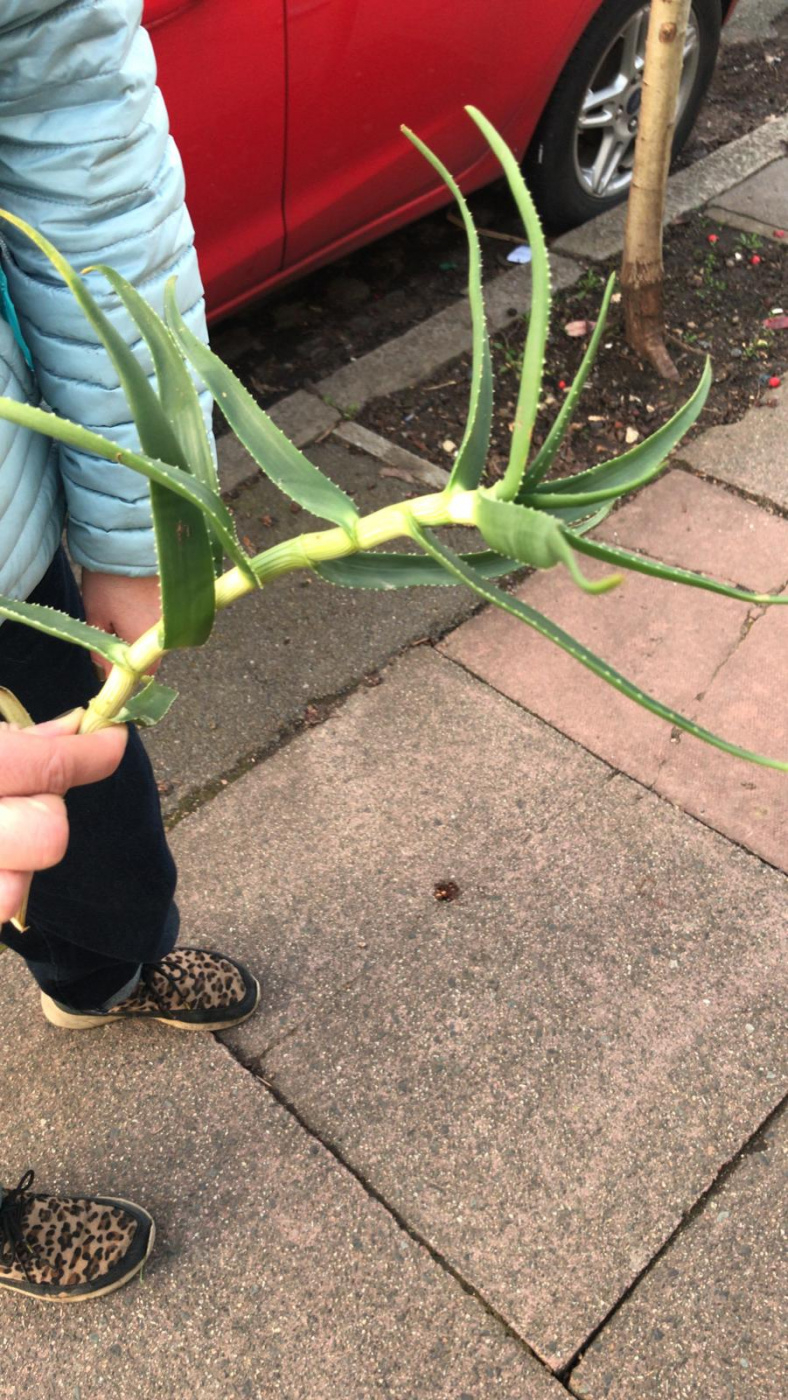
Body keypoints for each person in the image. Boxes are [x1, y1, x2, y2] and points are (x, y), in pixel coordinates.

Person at [0, 0, 259, 1301]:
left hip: (10, 559)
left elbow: (70, 113)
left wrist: (128, 513)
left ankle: (98, 974)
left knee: (93, 810)